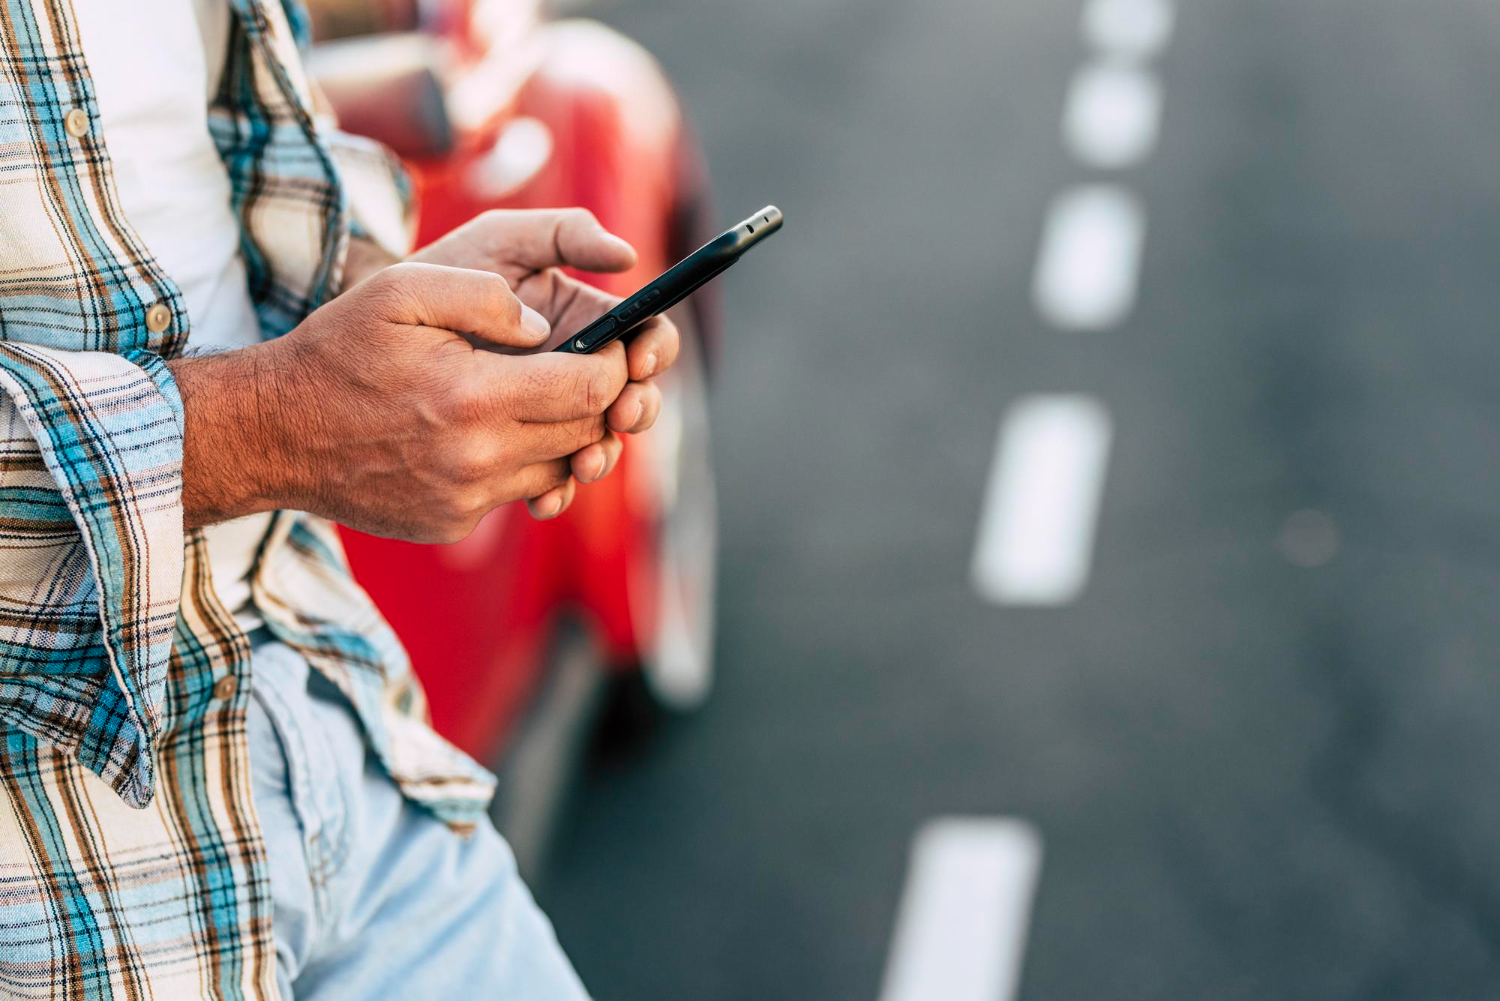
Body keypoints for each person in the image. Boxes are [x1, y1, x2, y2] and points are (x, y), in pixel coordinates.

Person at [0, 0, 678, 996]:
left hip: (320, 715)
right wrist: (277, 428)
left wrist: (400, 302)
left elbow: (209, 148)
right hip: (57, 884)